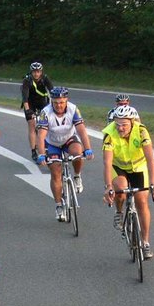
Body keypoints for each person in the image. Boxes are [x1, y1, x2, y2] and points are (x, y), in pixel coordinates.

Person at [102, 105, 154, 259]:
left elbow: (150, 160)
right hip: (118, 166)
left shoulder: (141, 132)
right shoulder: (109, 135)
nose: (120, 128)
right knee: (120, 190)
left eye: (124, 124)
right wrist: (109, 186)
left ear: (132, 123)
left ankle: (146, 242)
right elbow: (107, 163)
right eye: (117, 124)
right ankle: (119, 212)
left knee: (142, 201)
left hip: (138, 166)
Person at [36, 87, 94, 221]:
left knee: (77, 153)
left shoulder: (73, 109)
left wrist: (88, 148)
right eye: (55, 103)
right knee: (55, 171)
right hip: (52, 144)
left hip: (69, 139)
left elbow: (81, 131)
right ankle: (58, 205)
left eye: (61, 102)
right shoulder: (46, 112)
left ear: (66, 100)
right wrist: (41, 154)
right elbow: (41, 136)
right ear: (52, 101)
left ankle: (77, 176)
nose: (59, 105)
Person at [21, 62, 53, 161]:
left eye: (38, 72)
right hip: (30, 103)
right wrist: (28, 110)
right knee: (32, 124)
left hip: (42, 102)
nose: (36, 74)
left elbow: (52, 91)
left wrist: (53, 105)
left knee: (47, 124)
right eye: (34, 72)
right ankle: (33, 150)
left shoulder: (45, 78)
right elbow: (25, 97)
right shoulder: (27, 80)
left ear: (41, 72)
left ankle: (49, 145)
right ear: (31, 72)